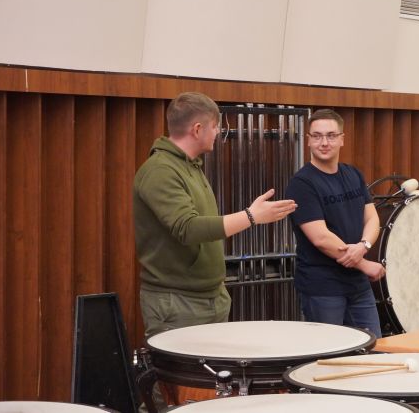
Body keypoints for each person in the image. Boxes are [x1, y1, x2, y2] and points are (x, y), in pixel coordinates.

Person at [133, 91, 297, 339]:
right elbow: (188, 228)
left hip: (210, 296)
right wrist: (251, 216)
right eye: (215, 126)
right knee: (182, 366)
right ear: (197, 129)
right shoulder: (160, 171)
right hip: (178, 302)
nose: (218, 132)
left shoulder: (190, 165)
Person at [285, 109, 385, 338]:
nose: (324, 142)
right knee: (331, 353)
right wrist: (364, 264)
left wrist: (364, 246)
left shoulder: (353, 174)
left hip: (358, 286)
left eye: (331, 135)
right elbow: (321, 238)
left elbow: (372, 218)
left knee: (374, 348)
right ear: (308, 140)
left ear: (342, 139)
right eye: (317, 136)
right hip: (323, 288)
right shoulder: (302, 184)